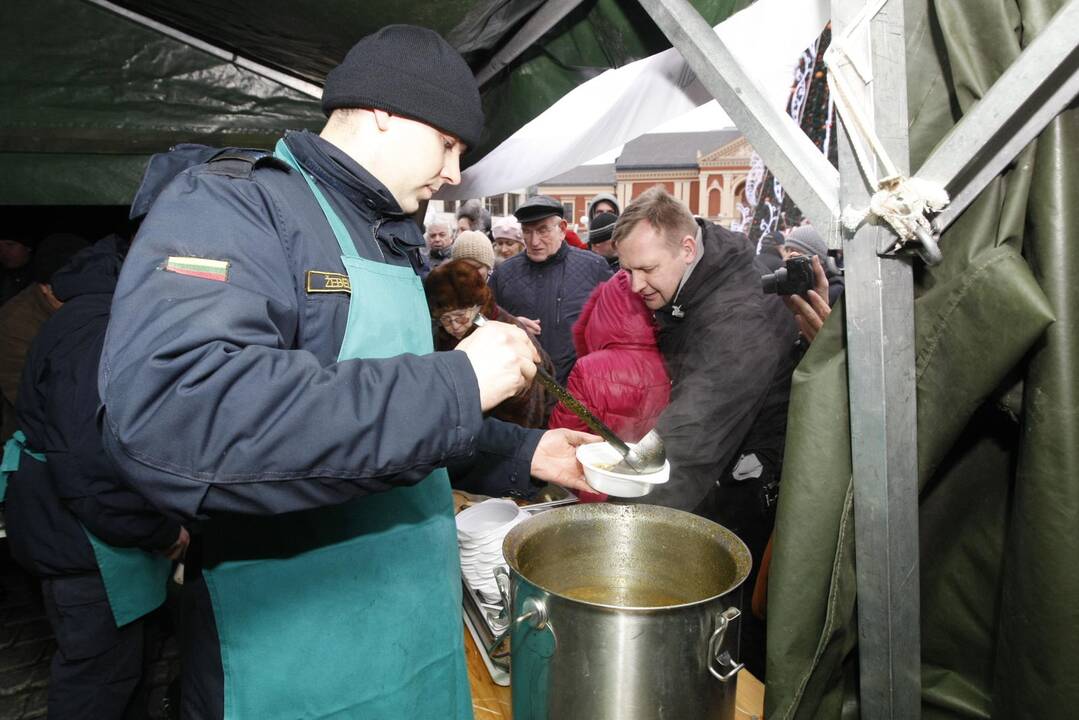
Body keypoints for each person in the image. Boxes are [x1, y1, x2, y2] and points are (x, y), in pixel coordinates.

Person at [97, 25, 596, 720]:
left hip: (411, 635)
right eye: (449, 144)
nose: (454, 173)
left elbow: (378, 417)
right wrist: (459, 383)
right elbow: (177, 415)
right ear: (384, 111)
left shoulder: (387, 236)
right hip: (297, 650)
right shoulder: (236, 206)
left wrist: (522, 448)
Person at [612, 187, 799, 678]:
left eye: (647, 269)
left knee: (735, 638)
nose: (634, 286)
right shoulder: (706, 273)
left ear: (688, 248)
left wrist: (620, 524)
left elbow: (694, 435)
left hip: (757, 489)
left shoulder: (739, 310)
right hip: (731, 469)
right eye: (627, 270)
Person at [3, 235, 188, 719]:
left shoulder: (89, 312)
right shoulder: (100, 330)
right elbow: (91, 470)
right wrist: (162, 530)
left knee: (126, 668)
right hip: (84, 543)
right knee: (97, 683)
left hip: (74, 532)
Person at [548, 270, 671, 500]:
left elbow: (563, 432)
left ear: (603, 311)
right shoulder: (670, 364)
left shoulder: (589, 369)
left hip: (595, 487)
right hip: (647, 489)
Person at [490, 195, 612, 385]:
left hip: (578, 391)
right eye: (527, 232)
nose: (534, 241)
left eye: (542, 231)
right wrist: (509, 324)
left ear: (562, 229)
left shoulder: (594, 267)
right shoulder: (504, 273)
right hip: (523, 392)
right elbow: (480, 322)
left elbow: (617, 328)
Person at [425, 259, 553, 428]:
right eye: (446, 320)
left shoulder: (506, 333)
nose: (455, 326)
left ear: (478, 307)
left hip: (510, 433)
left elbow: (533, 400)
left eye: (460, 317)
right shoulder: (442, 336)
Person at [0, 233, 89, 440]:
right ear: (45, 289)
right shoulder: (14, 324)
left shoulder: (91, 303)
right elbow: (25, 396)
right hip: (34, 441)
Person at [781, 224, 844, 305]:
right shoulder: (794, 285)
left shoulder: (836, 291)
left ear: (817, 258)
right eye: (787, 250)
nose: (786, 258)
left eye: (794, 251)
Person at [0, 234, 34, 305]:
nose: (3, 252)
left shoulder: (40, 278)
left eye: (10, 245)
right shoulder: (3, 275)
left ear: (28, 247)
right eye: (0, 247)